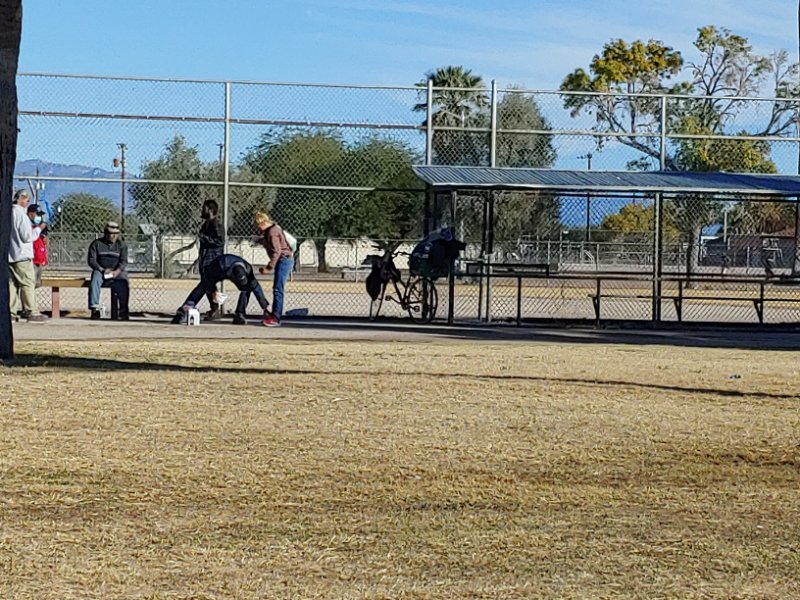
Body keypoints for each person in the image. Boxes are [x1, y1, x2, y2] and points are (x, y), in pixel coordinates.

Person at [170, 254, 272, 325]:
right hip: (220, 269)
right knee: (203, 286)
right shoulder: (219, 266)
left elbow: (256, 287)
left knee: (247, 288)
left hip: (231, 268)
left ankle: (239, 315)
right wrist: (214, 290)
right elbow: (208, 279)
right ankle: (184, 310)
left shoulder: (248, 269)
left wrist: (264, 306)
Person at [8, 189, 47, 322]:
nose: (27, 202)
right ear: (22, 199)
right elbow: (26, 237)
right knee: (27, 283)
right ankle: (31, 310)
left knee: (12, 284)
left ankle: (11, 312)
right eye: (27, 199)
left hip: (10, 254)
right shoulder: (21, 214)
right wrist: (38, 229)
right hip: (22, 255)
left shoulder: (8, 212)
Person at [254, 212, 294, 327]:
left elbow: (277, 252)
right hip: (284, 259)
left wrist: (269, 267)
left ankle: (276, 318)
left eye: (258, 225)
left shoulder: (272, 232)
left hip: (284, 260)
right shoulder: (272, 230)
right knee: (277, 288)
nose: (258, 228)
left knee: (278, 289)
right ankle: (274, 314)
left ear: (263, 222)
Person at [87, 221, 130, 320]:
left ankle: (123, 311)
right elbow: (91, 260)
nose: (114, 236)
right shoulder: (96, 244)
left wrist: (117, 271)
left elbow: (123, 261)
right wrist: (102, 270)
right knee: (95, 278)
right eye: (111, 233)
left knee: (123, 281)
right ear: (106, 233)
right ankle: (95, 309)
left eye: (116, 234)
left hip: (116, 271)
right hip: (101, 270)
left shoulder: (122, 245)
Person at [198, 199, 224, 320]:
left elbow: (220, 241)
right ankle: (214, 308)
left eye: (204, 208)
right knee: (208, 284)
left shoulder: (215, 224)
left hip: (212, 258)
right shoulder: (207, 224)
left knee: (210, 284)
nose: (202, 210)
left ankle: (215, 308)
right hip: (205, 257)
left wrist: (205, 238)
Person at [27, 203, 49, 287]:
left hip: (39, 261)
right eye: (38, 214)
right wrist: (39, 228)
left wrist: (45, 240)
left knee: (36, 284)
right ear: (31, 214)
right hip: (32, 260)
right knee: (29, 285)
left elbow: (41, 242)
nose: (39, 217)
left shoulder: (40, 228)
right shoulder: (28, 226)